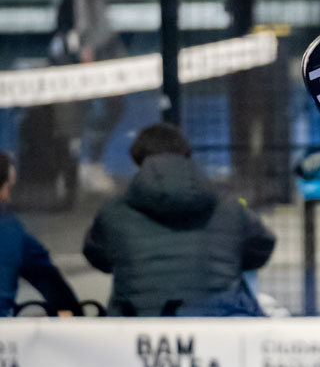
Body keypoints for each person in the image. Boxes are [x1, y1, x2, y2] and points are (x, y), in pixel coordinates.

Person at [82, 123, 276, 317]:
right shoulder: (229, 206)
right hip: (220, 319)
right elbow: (262, 246)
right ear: (186, 153)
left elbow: (97, 256)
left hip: (139, 323)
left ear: (137, 159)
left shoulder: (113, 211)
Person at [74, 0, 127, 192]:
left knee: (116, 104)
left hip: (108, 43)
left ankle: (91, 162)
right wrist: (86, 48)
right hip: (94, 48)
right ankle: (87, 163)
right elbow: (82, 10)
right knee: (98, 107)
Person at [0, 152, 83, 317]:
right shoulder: (10, 232)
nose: (8, 197)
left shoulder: (12, 231)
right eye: (8, 188)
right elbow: (51, 283)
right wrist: (74, 316)